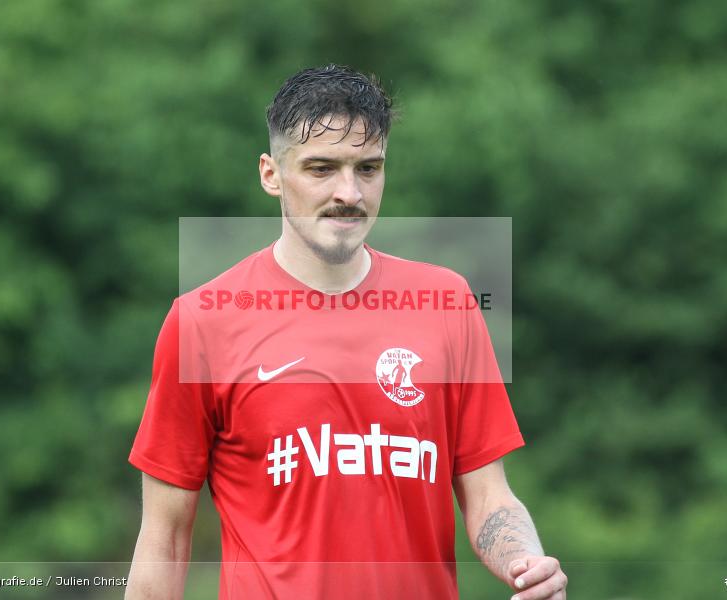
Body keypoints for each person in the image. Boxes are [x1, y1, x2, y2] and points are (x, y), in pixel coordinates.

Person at [125, 64, 567, 600]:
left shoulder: (447, 302)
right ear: (270, 174)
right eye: (320, 169)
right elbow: (166, 540)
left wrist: (526, 562)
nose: (349, 192)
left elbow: (489, 497)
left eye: (368, 168)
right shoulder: (202, 321)